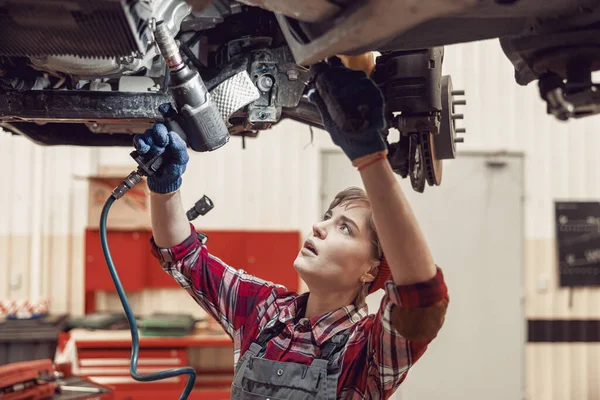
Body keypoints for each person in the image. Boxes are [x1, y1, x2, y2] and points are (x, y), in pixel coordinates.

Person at [134, 58, 449, 399]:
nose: (319, 227)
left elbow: (421, 300)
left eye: (345, 228)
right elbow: (185, 258)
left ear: (370, 270)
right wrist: (164, 188)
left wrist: (370, 156)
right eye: (328, 216)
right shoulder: (265, 312)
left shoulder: (366, 350)